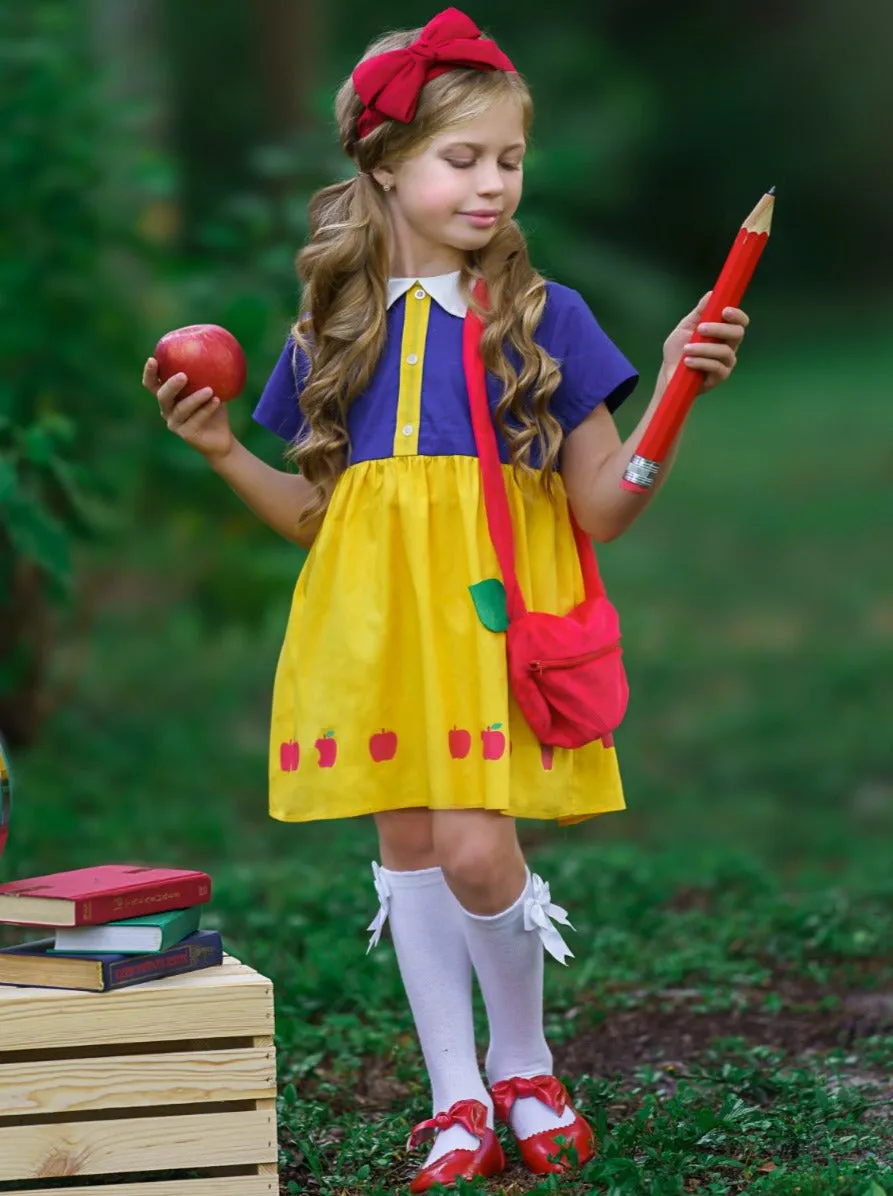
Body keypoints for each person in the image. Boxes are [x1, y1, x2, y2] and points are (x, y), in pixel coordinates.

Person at [143, 7, 749, 1191]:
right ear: (381, 166)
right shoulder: (333, 330)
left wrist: (676, 384)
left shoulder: (543, 318)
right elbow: (320, 517)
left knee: (479, 848)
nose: (490, 185)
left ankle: (523, 1060)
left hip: (488, 618)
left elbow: (603, 508)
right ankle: (456, 1095)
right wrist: (221, 447)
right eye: (459, 158)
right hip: (372, 626)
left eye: (507, 160)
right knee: (410, 845)